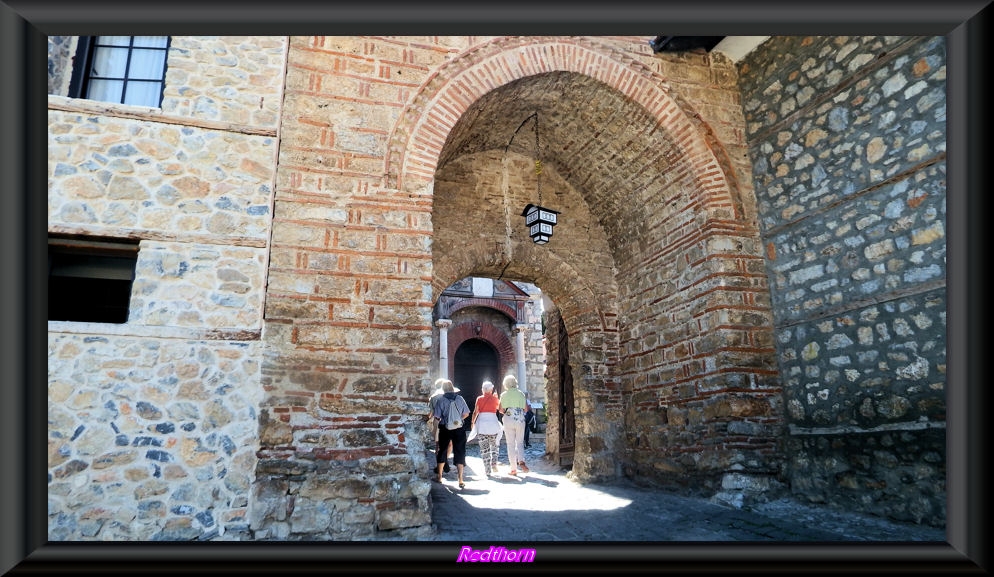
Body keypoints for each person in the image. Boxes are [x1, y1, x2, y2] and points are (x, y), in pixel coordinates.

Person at [432, 378, 471, 488]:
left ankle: (439, 476)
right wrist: (457, 420)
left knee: (442, 450)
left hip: (445, 428)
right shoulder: (460, 398)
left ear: (443, 389)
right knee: (460, 451)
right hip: (459, 428)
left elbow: (437, 416)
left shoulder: (441, 400)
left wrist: (447, 420)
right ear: (452, 388)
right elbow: (467, 413)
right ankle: (460, 479)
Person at [498, 374, 529, 475]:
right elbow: (526, 409)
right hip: (520, 419)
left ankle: (513, 469)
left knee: (510, 444)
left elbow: (501, 410)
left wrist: (507, 412)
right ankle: (521, 460)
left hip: (508, 420)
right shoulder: (521, 394)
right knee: (520, 442)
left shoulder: (503, 395)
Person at [472, 380, 504, 477]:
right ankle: (494, 462)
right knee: (494, 445)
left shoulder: (479, 399)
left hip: (482, 425)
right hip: (493, 424)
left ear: (483, 389)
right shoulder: (495, 399)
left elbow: (475, 412)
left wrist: (472, 423)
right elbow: (501, 410)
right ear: (491, 390)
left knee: (484, 449)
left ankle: (487, 470)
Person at [426, 379, 455, 473]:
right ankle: (445, 461)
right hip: (449, 422)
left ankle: (441, 463)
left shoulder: (433, 397)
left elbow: (430, 413)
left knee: (438, 444)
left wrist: (426, 420)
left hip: (437, 422)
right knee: (450, 443)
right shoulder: (451, 396)